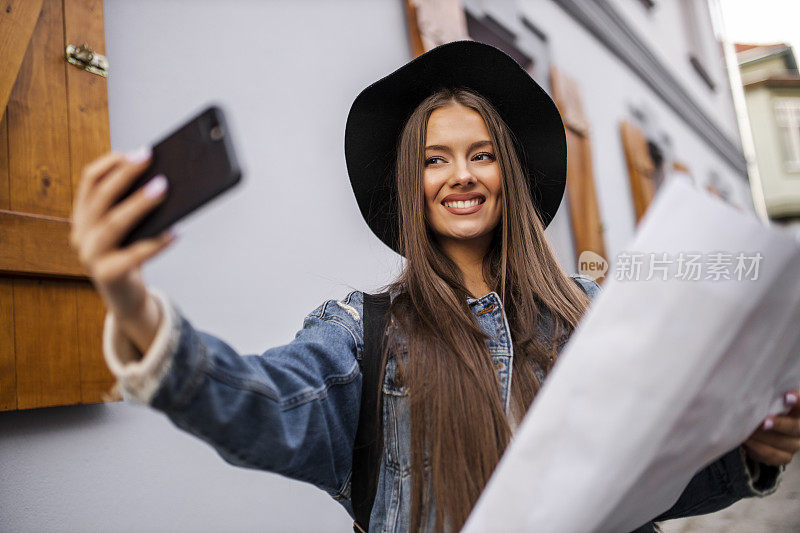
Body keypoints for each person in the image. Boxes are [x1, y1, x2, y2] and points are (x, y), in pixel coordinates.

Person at [69, 41, 799, 533]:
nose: (461, 175)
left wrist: (752, 452)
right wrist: (133, 302)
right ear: (410, 186)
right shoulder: (361, 334)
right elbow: (255, 402)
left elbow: (660, 476)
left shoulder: (596, 312)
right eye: (434, 158)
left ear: (507, 177)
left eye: (482, 154)